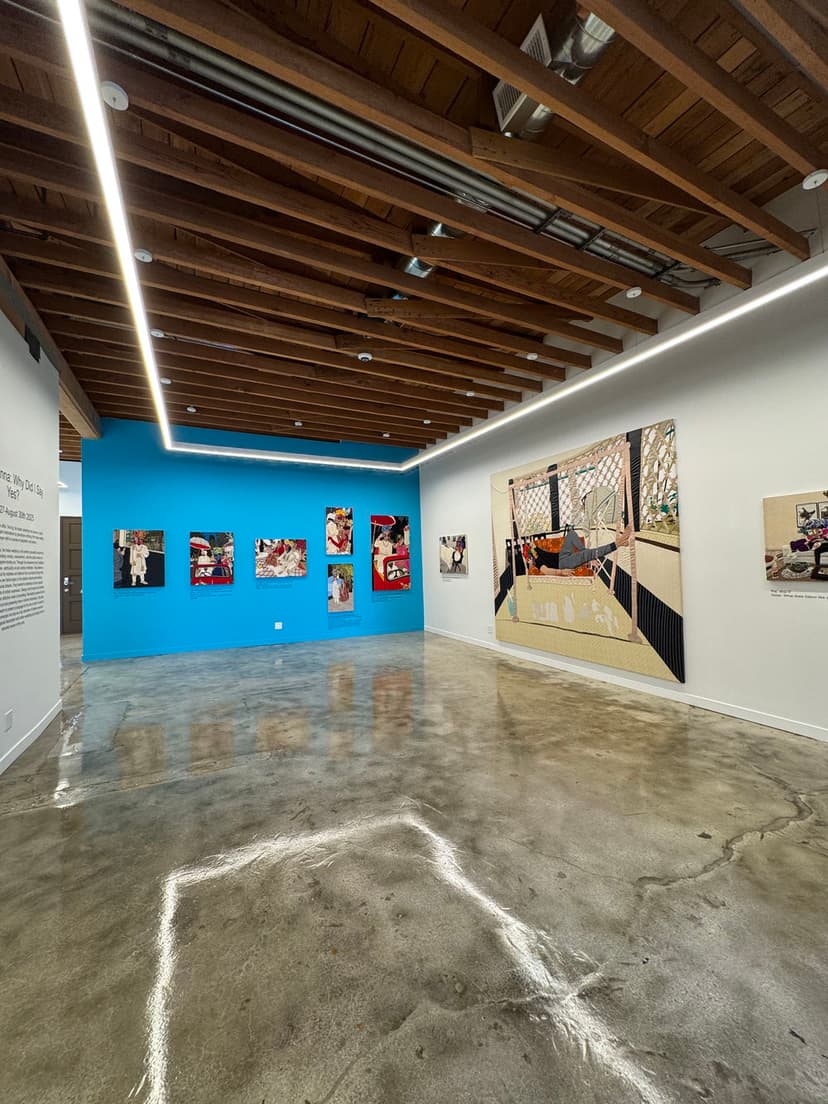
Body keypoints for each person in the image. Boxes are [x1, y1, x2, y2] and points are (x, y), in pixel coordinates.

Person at [532, 523, 633, 574]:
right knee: (586, 555)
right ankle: (617, 543)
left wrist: (530, 549)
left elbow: (531, 545)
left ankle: (588, 557)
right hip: (562, 564)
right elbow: (545, 570)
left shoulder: (535, 551)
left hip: (562, 555)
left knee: (571, 534)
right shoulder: (537, 561)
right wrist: (560, 572)